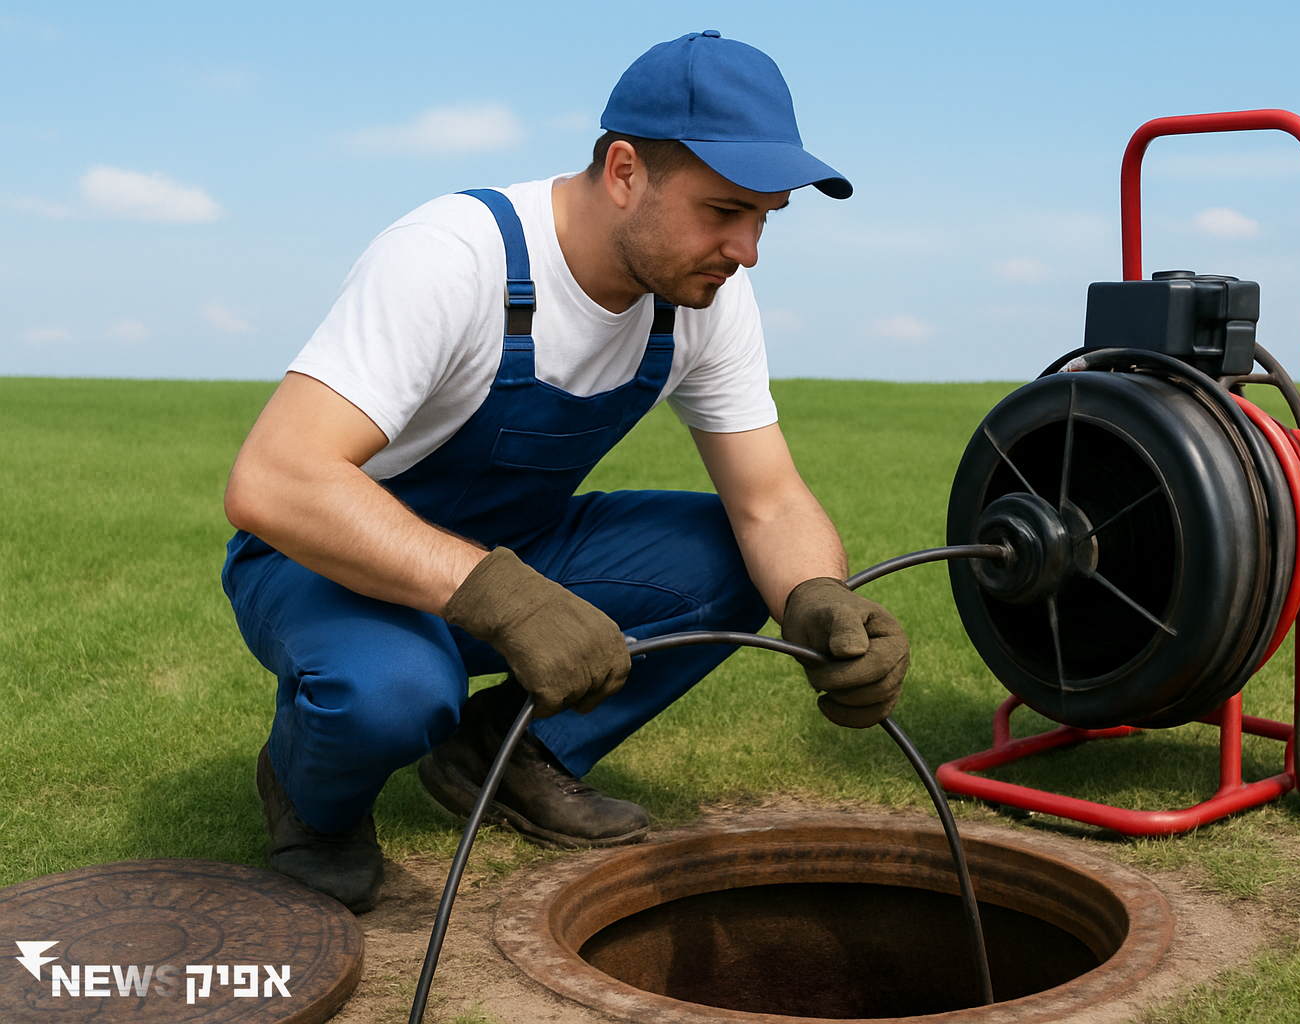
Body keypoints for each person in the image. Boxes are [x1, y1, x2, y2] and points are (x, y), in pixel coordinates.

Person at [221, 30, 909, 914]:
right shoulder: (453, 257)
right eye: (723, 211)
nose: (747, 250)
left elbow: (770, 502)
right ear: (624, 170)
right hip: (323, 560)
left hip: (514, 545)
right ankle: (309, 805)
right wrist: (503, 598)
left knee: (738, 557)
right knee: (394, 693)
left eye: (764, 218)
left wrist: (819, 600)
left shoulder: (703, 299)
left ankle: (503, 755)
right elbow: (276, 481)